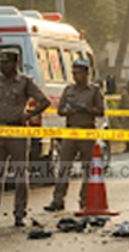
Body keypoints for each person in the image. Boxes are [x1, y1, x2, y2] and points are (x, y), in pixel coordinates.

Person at [0, 49, 50, 228]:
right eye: (1, 62)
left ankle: (19, 214)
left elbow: (43, 101)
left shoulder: (25, 82)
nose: (2, 66)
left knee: (20, 175)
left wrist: (28, 115)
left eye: (6, 62)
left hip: (17, 131)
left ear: (15, 64)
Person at [45, 60, 105, 212]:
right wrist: (69, 110)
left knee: (87, 169)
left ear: (86, 73)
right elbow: (60, 110)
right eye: (74, 73)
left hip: (87, 131)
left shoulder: (94, 91)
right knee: (64, 167)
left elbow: (101, 111)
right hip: (70, 131)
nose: (75, 76)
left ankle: (85, 200)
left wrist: (86, 109)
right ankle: (58, 200)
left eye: (78, 73)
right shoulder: (68, 90)